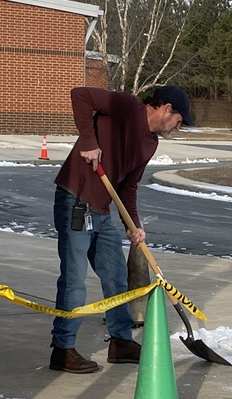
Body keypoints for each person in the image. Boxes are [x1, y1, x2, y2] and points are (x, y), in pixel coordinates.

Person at [49, 84, 195, 374]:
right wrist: (88, 141)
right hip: (76, 201)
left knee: (116, 278)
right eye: (180, 121)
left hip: (102, 210)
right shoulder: (126, 106)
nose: (179, 128)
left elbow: (128, 185)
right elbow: (80, 94)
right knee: (75, 279)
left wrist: (134, 225)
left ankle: (121, 342)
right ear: (167, 109)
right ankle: (62, 350)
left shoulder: (150, 143)